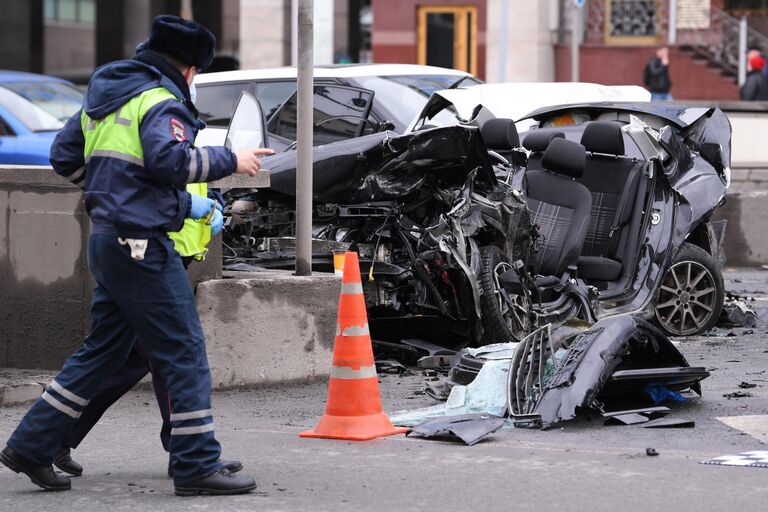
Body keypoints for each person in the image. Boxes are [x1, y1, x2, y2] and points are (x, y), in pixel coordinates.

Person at [0, 15, 273, 495]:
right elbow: (173, 162)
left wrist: (114, 194)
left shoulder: (103, 99)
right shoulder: (159, 100)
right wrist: (235, 160)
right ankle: (194, 465)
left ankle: (31, 445)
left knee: (101, 352)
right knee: (184, 351)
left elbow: (64, 158)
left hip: (110, 239)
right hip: (141, 244)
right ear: (189, 70)